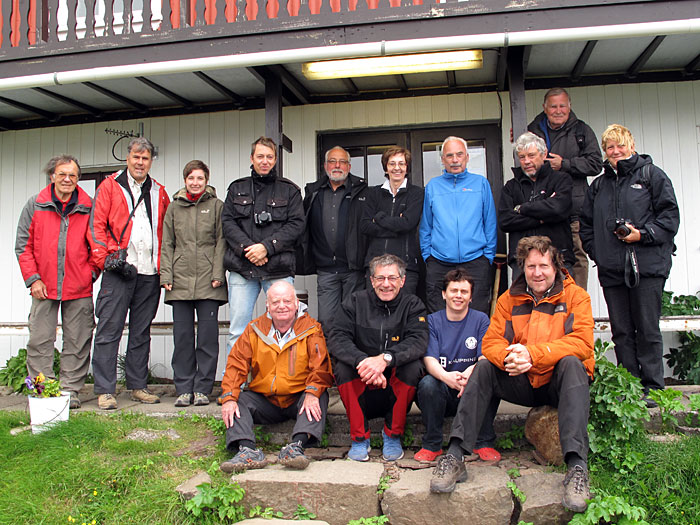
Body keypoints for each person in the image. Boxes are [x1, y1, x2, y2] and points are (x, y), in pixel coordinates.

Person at [430, 236, 594, 515]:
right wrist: (512, 358)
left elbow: (582, 342)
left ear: (555, 266)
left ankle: (577, 468)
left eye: (543, 265)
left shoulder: (575, 296)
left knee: (573, 364)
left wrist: (533, 355)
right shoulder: (509, 299)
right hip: (521, 379)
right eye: (530, 266)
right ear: (522, 268)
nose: (537, 272)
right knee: (483, 368)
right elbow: (491, 343)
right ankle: (455, 455)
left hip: (558, 381)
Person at [580, 124, 679, 405]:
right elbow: (585, 225)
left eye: (620, 145)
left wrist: (642, 235)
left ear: (631, 146)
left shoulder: (652, 176)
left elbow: (670, 217)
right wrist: (597, 252)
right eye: (610, 147)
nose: (615, 151)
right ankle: (631, 388)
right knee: (621, 330)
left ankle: (654, 388)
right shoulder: (599, 185)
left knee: (647, 327)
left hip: (647, 267)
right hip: (612, 270)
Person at [89, 137, 170, 410]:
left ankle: (137, 386)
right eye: (136, 157)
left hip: (149, 272)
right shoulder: (109, 187)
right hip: (119, 269)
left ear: (151, 161)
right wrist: (107, 259)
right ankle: (104, 389)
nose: (140, 162)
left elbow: (166, 233)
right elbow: (96, 228)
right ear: (128, 158)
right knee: (109, 329)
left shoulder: (159, 191)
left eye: (145, 158)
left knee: (141, 332)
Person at [218, 281, 333, 473]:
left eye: (287, 301)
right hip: (265, 399)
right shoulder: (254, 329)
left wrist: (312, 393)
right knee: (236, 401)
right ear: (267, 305)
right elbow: (236, 365)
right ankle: (247, 450)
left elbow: (320, 367)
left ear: (296, 303)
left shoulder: (312, 329)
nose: (281, 306)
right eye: (276, 301)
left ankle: (295, 448)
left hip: (298, 397)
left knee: (318, 395)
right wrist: (228, 397)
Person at [15, 155, 98, 410]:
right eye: (62, 174)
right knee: (39, 340)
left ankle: (70, 391)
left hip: (78, 286)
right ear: (52, 175)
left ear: (78, 178)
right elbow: (22, 246)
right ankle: (42, 392)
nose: (67, 179)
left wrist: (90, 275)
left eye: (72, 175)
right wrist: (33, 279)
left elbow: (98, 244)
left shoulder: (88, 206)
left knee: (78, 340)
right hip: (43, 287)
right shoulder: (36, 204)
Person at [328, 254, 428, 462]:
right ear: (371, 280)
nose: (386, 284)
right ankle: (359, 438)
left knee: (413, 367)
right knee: (343, 368)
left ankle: (392, 435)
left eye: (392, 278)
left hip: (394, 388)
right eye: (380, 278)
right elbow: (337, 337)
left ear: (402, 280)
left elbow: (418, 340)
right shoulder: (354, 302)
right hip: (362, 385)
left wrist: (385, 359)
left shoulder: (413, 305)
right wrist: (363, 362)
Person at [222, 137, 305, 350]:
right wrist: (249, 249)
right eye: (260, 156)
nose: (265, 161)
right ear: (252, 158)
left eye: (269, 157)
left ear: (275, 159)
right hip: (242, 267)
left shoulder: (290, 190)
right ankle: (235, 383)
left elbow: (296, 225)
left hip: (278, 268)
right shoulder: (236, 188)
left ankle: (284, 381)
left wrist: (266, 247)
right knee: (238, 330)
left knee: (285, 326)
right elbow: (228, 222)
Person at [414, 268, 499, 463]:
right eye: (453, 291)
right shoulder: (433, 321)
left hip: (470, 389)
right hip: (443, 388)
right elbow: (429, 360)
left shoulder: (481, 320)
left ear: (471, 297)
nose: (458, 296)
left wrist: (470, 374)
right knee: (427, 384)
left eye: (464, 292)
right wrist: (447, 378)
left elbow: (485, 355)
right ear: (444, 294)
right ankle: (432, 444)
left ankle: (484, 440)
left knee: (490, 377)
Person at [160, 160, 227, 407]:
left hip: (210, 279)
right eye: (191, 178)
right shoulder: (174, 208)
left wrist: (218, 272)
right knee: (183, 338)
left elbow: (222, 242)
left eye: (200, 178)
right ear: (185, 179)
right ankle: (183, 388)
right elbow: (167, 243)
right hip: (179, 280)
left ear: (206, 180)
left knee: (208, 339)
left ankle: (202, 389)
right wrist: (166, 275)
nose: (195, 182)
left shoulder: (217, 206)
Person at [528, 87, 603, 290]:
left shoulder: (582, 131)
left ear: (569, 107)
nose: (558, 110)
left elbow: (596, 164)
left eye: (562, 106)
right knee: (545, 259)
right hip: (545, 212)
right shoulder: (533, 131)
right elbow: (524, 164)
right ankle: (551, 309)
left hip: (575, 210)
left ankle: (575, 310)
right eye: (553, 106)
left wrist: (565, 165)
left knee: (578, 258)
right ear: (545, 108)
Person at [419, 136, 497, 314]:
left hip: (476, 261)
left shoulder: (480, 184)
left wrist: (487, 257)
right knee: (438, 317)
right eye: (449, 155)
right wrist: (428, 257)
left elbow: (490, 223)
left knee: (477, 315)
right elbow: (426, 226)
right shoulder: (433, 187)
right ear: (442, 159)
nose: (455, 160)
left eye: (459, 154)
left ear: (467, 157)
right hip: (439, 262)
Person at [299, 146, 368, 329]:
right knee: (327, 322)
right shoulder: (314, 192)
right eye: (332, 161)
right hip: (326, 269)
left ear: (349, 166)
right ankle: (330, 358)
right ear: (325, 165)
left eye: (342, 162)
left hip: (354, 269)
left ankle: (351, 358)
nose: (337, 166)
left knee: (354, 321)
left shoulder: (362, 192)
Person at [499, 132, 575, 280]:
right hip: (521, 262)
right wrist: (543, 217)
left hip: (558, 257)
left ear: (544, 154)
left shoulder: (561, 180)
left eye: (531, 155)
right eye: (522, 157)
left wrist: (522, 208)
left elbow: (559, 209)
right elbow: (505, 221)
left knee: (562, 303)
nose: (526, 161)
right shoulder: (510, 187)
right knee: (522, 303)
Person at [360, 147, 424, 296]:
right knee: (373, 314)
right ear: (386, 167)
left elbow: (408, 223)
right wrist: (397, 228)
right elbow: (365, 225)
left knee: (404, 313)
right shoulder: (373, 193)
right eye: (392, 163)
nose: (397, 168)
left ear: (407, 167)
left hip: (406, 266)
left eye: (401, 163)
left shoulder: (416, 193)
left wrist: (380, 218)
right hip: (375, 266)